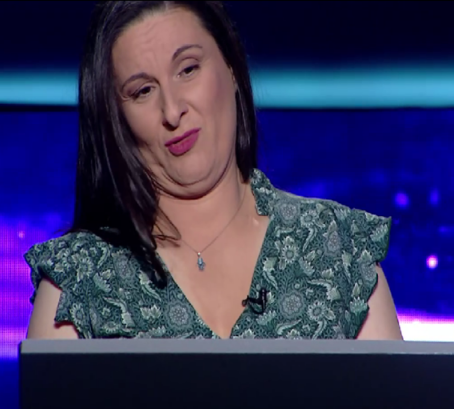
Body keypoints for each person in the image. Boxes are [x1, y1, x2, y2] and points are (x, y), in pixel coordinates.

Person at [25, 0, 403, 341]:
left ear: (232, 68)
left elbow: (390, 400)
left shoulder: (336, 249)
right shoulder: (79, 280)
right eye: (143, 91)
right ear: (115, 121)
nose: (172, 111)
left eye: (188, 69)